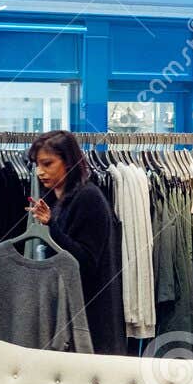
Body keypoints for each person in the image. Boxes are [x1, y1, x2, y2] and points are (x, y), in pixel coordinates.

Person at [27, 130, 126, 354]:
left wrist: (51, 226)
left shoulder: (88, 198)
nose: (40, 172)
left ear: (68, 162)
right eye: (37, 165)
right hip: (67, 311)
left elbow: (85, 261)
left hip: (90, 317)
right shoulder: (55, 199)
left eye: (48, 164)